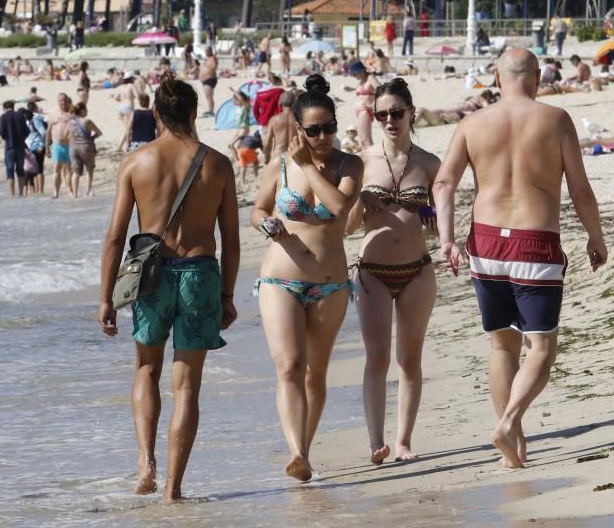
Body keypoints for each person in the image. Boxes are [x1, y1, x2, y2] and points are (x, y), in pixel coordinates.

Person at [432, 48, 607, 469]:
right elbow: (580, 191)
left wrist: (447, 240)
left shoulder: (473, 123)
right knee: (542, 347)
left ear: (496, 76)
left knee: (502, 347)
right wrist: (595, 237)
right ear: (538, 77)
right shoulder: (555, 119)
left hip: (486, 244)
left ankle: (517, 450)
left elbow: (443, 183)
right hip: (535, 241)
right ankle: (509, 422)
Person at [97, 71, 239, 501]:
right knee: (187, 385)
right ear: (195, 113)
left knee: (146, 369)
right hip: (199, 274)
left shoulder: (136, 163)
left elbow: (116, 237)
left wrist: (106, 297)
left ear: (156, 112)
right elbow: (231, 240)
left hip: (151, 277)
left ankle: (146, 465)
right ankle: (174, 488)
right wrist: (228, 296)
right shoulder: (217, 163)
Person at [250, 74, 363, 481]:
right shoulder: (278, 165)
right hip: (280, 279)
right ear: (298, 129)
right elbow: (258, 209)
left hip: (330, 284)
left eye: (329, 127)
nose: (322, 137)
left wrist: (306, 165)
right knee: (291, 366)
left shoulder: (350, 164)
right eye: (313, 130)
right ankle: (296, 452)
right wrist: (265, 224)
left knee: (317, 371)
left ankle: (306, 450)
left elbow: (337, 207)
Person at [345, 78, 440, 464]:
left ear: (411, 113)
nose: (389, 120)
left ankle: (403, 442)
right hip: (372, 273)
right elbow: (347, 227)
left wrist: (435, 219)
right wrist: (362, 200)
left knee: (410, 359)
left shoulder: (430, 163)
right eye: (380, 114)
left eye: (396, 113)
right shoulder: (362, 162)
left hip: (417, 270)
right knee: (377, 358)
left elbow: (441, 213)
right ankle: (375, 442)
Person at [69, 102, 102, 198]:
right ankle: (87, 191)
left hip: (73, 148)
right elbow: (99, 133)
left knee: (76, 172)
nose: (87, 111)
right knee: (89, 169)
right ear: (82, 110)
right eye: (86, 109)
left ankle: (75, 195)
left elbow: (68, 135)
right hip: (86, 148)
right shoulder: (87, 122)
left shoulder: (71, 122)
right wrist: (92, 137)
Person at [0, 99, 30, 196]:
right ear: (13, 107)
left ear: (4, 108)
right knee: (20, 170)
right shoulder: (20, 116)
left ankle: (12, 195)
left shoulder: (3, 117)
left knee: (10, 171)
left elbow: (1, 132)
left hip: (9, 147)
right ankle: (20, 193)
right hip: (20, 147)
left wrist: (7, 138)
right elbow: (27, 131)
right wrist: (22, 138)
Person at [46, 93, 74, 198]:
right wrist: (47, 148)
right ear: (58, 102)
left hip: (69, 145)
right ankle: (55, 192)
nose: (63, 102)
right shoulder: (53, 114)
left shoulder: (71, 114)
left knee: (69, 169)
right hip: (57, 144)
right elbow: (48, 131)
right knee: (56, 168)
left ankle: (70, 190)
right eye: (61, 100)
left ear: (67, 101)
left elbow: (76, 129)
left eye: (65, 100)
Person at [262, 89, 297, 164]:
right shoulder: (300, 119)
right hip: (295, 155)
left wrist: (267, 158)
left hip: (279, 156)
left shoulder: (274, 120)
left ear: (280, 102)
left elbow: (267, 142)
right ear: (295, 102)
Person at [350, 61, 379, 148]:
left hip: (366, 110)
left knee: (367, 140)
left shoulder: (370, 77)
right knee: (362, 140)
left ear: (362, 71)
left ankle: (373, 160)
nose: (354, 76)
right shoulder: (362, 80)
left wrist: (373, 105)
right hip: (359, 111)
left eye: (355, 73)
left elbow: (381, 91)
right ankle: (368, 160)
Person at [114, 74, 137, 152]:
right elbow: (137, 94)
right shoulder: (131, 85)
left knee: (126, 128)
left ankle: (120, 146)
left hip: (120, 107)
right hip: (128, 107)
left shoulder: (122, 87)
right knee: (128, 128)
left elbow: (116, 98)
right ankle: (126, 146)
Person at [227, 91, 252, 161]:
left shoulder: (246, 106)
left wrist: (234, 92)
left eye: (237, 100)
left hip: (244, 128)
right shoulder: (239, 108)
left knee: (235, 145)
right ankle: (239, 161)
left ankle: (242, 161)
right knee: (229, 145)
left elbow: (241, 100)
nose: (235, 102)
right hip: (239, 129)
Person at [199, 47, 219, 117]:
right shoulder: (209, 58)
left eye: (207, 51)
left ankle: (210, 111)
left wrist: (206, 76)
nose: (206, 52)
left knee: (209, 96)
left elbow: (213, 67)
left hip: (209, 79)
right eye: (205, 51)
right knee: (209, 96)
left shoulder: (212, 58)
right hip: (207, 80)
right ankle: (211, 110)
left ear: (210, 50)